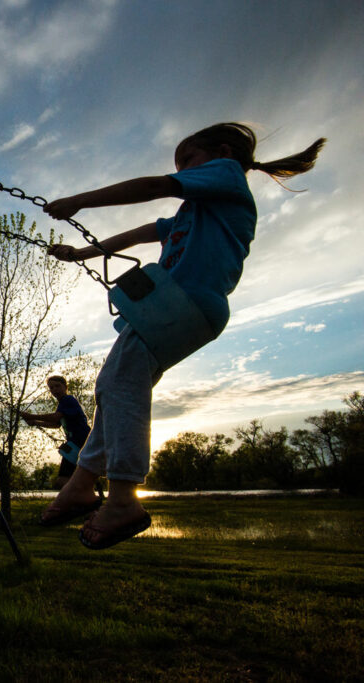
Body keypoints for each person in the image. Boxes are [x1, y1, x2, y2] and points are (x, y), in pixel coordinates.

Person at [38, 122, 325, 549]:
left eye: (189, 161)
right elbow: (143, 232)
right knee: (112, 386)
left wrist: (81, 201)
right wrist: (81, 253)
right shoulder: (194, 212)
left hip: (186, 303)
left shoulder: (227, 175)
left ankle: (122, 499)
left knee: (119, 384)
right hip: (172, 305)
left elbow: (158, 185)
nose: (185, 172)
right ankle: (82, 483)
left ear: (223, 152)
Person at [22, 375, 91, 490]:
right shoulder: (62, 404)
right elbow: (56, 424)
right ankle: (82, 500)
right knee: (71, 478)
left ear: (65, 386)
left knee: (63, 480)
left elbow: (55, 418)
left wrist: (31, 416)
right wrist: (35, 422)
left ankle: (79, 500)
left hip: (80, 443)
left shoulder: (68, 400)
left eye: (57, 386)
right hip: (76, 444)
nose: (55, 390)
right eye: (51, 388)